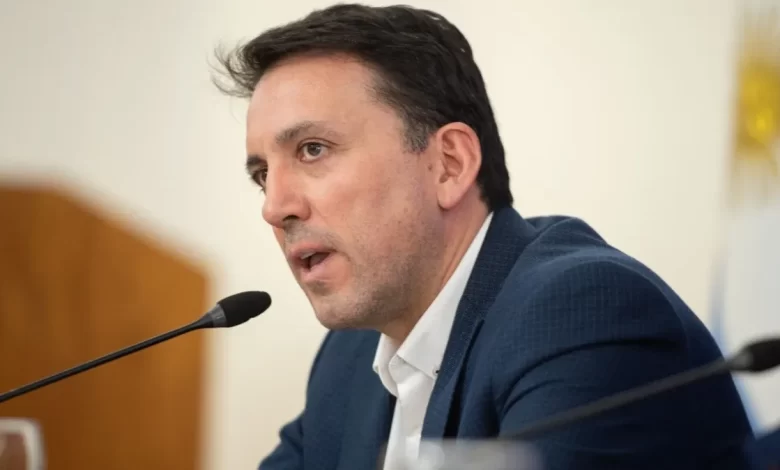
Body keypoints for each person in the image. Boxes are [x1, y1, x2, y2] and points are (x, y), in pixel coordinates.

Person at [213, 4, 753, 469]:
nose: (274, 207)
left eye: (312, 150)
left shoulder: (582, 314)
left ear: (449, 164)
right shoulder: (349, 360)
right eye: (262, 174)